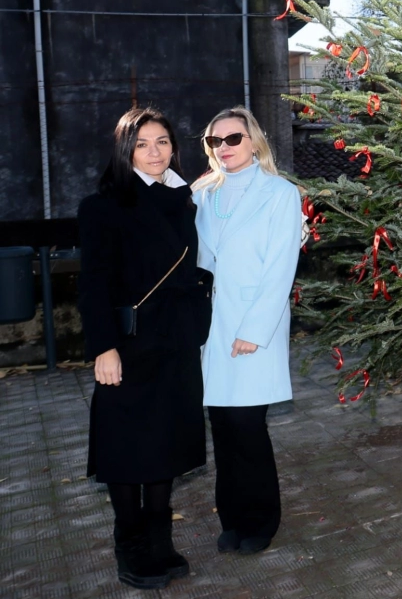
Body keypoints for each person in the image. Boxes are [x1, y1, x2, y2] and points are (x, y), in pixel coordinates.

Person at [78, 107, 211, 590]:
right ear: (125, 150)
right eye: (142, 144)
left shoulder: (186, 196)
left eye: (162, 142)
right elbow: (93, 284)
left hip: (176, 338)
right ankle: (129, 541)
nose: (154, 153)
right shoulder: (105, 205)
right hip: (130, 342)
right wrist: (103, 348)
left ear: (175, 147)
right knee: (126, 445)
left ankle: (160, 538)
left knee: (168, 441)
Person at [191, 107, 302, 555]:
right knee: (222, 424)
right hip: (209, 327)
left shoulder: (279, 193)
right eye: (215, 141)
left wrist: (254, 331)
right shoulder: (201, 193)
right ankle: (232, 517)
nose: (224, 147)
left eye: (233, 138)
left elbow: (281, 268)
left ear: (253, 140)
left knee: (247, 425)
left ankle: (262, 519)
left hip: (256, 324)